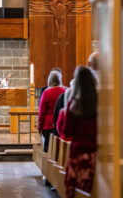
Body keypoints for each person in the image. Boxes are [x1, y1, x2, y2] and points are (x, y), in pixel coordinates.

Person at [57, 66, 97, 198]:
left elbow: (67, 131)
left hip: (77, 153)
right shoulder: (98, 104)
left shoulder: (73, 104)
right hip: (94, 155)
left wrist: (63, 116)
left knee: (73, 190)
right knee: (91, 189)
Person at [38, 71, 65, 152]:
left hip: (48, 124)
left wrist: (40, 127)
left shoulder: (46, 92)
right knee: (59, 149)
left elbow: (42, 112)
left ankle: (48, 163)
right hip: (61, 123)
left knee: (47, 148)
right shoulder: (64, 91)